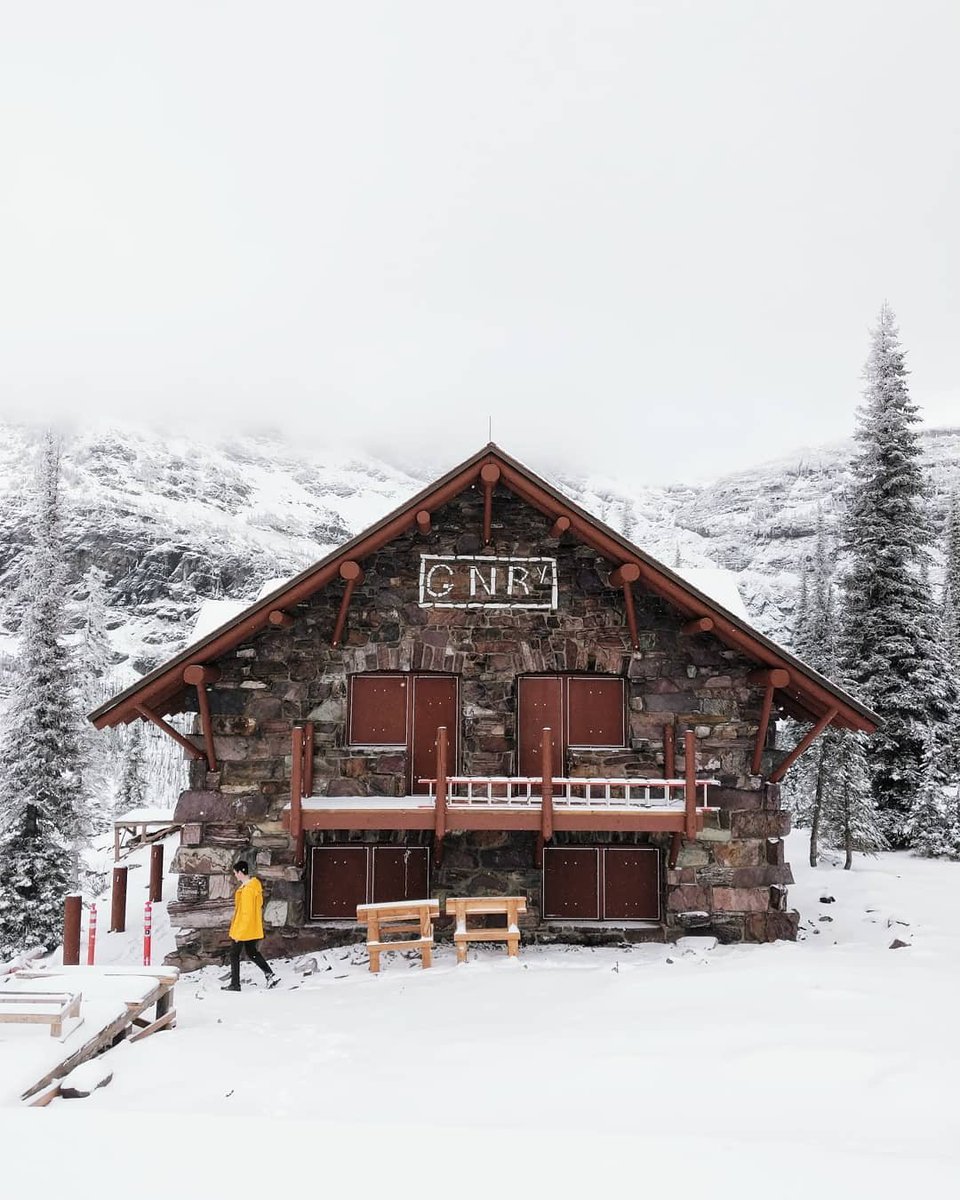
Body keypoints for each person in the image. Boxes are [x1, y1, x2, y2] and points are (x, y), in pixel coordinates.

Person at [222, 860, 279, 991]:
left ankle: (235, 984)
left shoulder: (247, 890)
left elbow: (246, 913)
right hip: (252, 927)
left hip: (243, 929)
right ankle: (269, 974)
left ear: (241, 872)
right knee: (252, 952)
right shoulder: (254, 886)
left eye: (235, 872)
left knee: (234, 954)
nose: (235, 875)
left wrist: (239, 934)